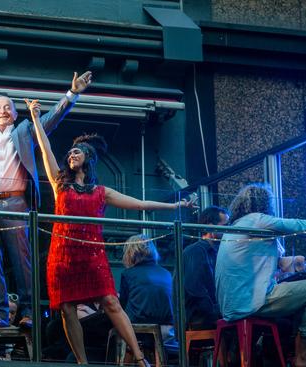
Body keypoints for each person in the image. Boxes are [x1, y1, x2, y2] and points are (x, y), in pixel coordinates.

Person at [25, 98, 192, 366]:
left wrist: (175, 204)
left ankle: (139, 358)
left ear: (88, 158)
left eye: (76, 153)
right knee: (68, 310)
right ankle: (82, 362)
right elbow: (45, 150)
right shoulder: (61, 186)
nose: (71, 156)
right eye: (69, 154)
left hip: (92, 255)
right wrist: (36, 119)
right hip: (63, 255)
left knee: (111, 302)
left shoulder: (102, 192)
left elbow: (139, 204)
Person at [0, 66, 92, 329]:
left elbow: (52, 118)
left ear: (14, 114)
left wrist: (71, 94)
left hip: (16, 203)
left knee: (21, 261)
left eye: (8, 107)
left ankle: (27, 311)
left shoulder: (25, 130)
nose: (3, 110)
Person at [215, 183, 306, 367]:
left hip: (230, 305)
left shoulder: (236, 227)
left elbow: (273, 263)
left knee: (301, 301)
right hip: (250, 303)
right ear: (265, 204)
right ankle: (304, 353)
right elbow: (297, 225)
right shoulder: (258, 219)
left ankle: (294, 353)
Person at [119, 234, 174, 342]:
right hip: (167, 331)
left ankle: (126, 358)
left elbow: (121, 306)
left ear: (130, 253)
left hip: (138, 330)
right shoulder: (167, 273)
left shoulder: (128, 274)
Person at [182, 206, 229, 330]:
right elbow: (195, 289)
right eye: (225, 226)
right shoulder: (195, 251)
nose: (229, 230)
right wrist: (216, 312)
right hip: (198, 316)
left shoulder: (217, 251)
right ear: (210, 226)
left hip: (210, 311)